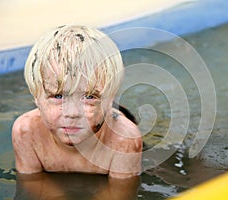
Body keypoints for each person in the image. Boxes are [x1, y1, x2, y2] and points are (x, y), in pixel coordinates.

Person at [12, 25, 142, 179]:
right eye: (58, 96)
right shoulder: (27, 132)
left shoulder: (123, 140)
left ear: (111, 98)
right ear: (36, 97)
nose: (73, 113)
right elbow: (31, 188)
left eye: (89, 97)